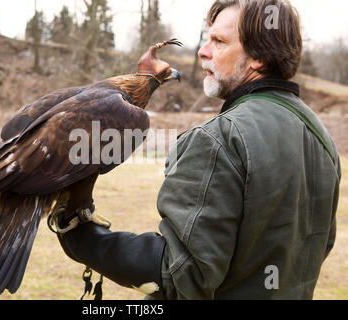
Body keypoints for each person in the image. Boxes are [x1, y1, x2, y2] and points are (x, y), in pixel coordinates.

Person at [57, 0, 341, 299]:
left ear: (259, 57)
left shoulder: (218, 139)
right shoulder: (321, 138)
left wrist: (81, 235)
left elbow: (179, 276)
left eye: (218, 41)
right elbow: (316, 247)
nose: (203, 51)